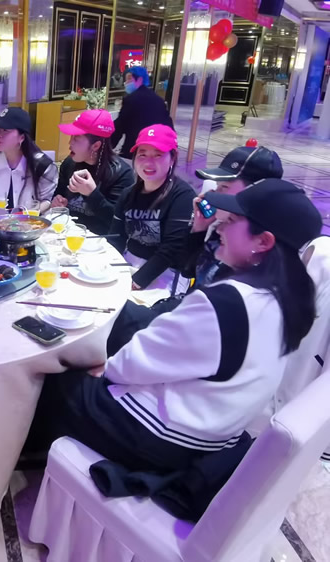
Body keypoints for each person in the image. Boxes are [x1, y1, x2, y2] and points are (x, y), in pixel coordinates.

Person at [27, 178, 321, 507]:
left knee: (54, 379)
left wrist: (103, 368)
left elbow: (132, 363)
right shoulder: (288, 298)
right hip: (215, 433)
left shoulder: (228, 303)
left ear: (263, 241)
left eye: (233, 221)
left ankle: (24, 454)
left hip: (164, 439)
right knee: (116, 329)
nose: (221, 226)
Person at [107, 145, 285, 354]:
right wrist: (199, 229)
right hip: (183, 308)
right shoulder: (222, 227)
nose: (213, 193)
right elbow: (188, 270)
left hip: (193, 332)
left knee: (111, 321)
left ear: (255, 192)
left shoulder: (249, 243)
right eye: (216, 186)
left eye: (224, 187)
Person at [108, 124, 195, 290]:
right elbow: (116, 237)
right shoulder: (128, 194)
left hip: (165, 273)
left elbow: (171, 249)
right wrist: (107, 267)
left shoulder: (183, 196)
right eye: (142, 154)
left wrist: (137, 281)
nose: (148, 163)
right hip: (129, 263)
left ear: (173, 158)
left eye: (158, 155)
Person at [51, 109, 135, 234]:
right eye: (71, 137)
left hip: (100, 241)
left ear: (95, 146)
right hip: (68, 234)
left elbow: (118, 223)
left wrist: (92, 194)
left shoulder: (122, 174)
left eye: (76, 138)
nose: (70, 143)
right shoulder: (69, 163)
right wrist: (57, 201)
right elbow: (59, 194)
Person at [0, 107, 57, 212]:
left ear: (22, 137)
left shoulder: (42, 165)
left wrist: (27, 215)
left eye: (5, 130)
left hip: (30, 220)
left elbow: (47, 200)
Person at [110, 67, 173, 160]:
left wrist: (109, 147)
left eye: (129, 79)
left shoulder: (131, 99)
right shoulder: (158, 99)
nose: (126, 83)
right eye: (126, 80)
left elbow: (120, 125)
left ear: (139, 79)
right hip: (156, 148)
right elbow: (168, 123)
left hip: (135, 148)